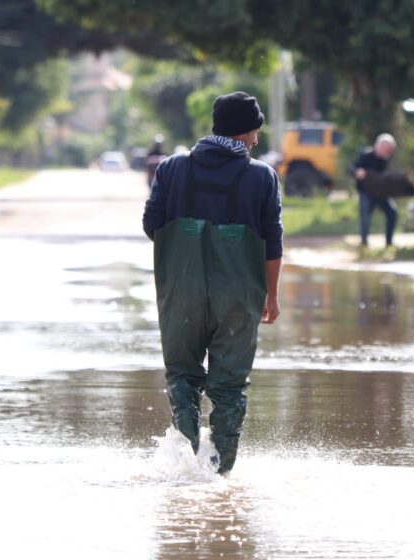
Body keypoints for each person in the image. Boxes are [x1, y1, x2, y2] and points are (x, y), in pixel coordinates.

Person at [142, 91, 283, 475]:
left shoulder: (172, 169)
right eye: (255, 131)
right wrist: (271, 296)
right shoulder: (261, 176)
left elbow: (151, 224)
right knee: (230, 387)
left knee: (183, 376)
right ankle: (219, 474)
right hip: (238, 296)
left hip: (181, 292)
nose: (256, 139)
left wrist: (186, 249)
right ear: (247, 131)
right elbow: (272, 241)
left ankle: (186, 466)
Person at [352, 133, 398, 249]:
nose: (385, 150)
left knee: (392, 212)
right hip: (366, 192)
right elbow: (352, 167)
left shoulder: (387, 160)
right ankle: (364, 244)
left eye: (388, 148)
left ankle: (389, 243)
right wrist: (358, 172)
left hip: (380, 193)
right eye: (383, 147)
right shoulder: (366, 155)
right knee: (366, 217)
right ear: (377, 145)